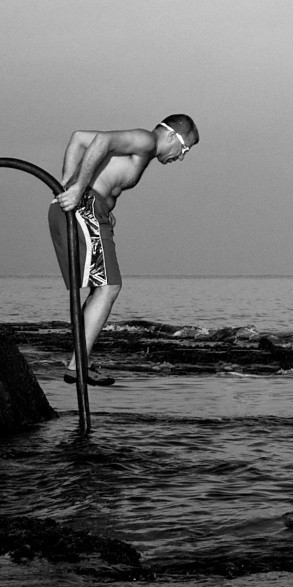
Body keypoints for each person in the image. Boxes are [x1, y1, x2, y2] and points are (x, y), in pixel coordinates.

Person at [48, 115, 199, 385]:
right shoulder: (146, 139)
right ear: (170, 136)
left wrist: (67, 185)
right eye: (184, 148)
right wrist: (76, 188)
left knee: (102, 287)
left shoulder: (144, 150)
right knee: (109, 287)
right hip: (86, 207)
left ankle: (78, 362)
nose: (182, 157)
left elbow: (79, 136)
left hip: (92, 209)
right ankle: (77, 365)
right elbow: (101, 141)